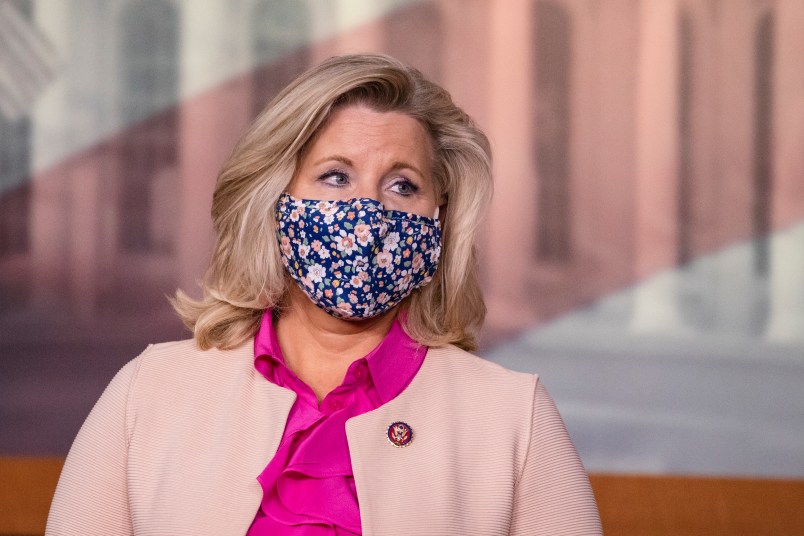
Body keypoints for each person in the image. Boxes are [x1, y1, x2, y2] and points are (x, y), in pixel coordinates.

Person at [46, 54, 602, 535]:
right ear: (275, 201)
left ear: (439, 224)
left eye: (402, 184)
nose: (368, 211)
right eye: (335, 176)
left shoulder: (511, 416)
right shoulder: (149, 393)